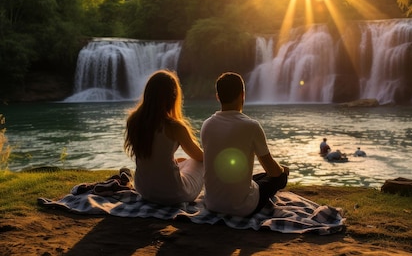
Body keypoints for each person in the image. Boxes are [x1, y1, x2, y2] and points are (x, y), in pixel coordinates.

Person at [201, 72, 289, 217]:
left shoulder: (206, 125)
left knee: (260, 177)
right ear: (243, 95)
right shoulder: (251, 126)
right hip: (241, 207)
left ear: (218, 96)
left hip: (211, 203)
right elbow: (273, 171)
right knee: (280, 177)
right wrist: (283, 170)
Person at [124, 70, 204, 205]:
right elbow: (200, 157)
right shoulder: (175, 127)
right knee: (200, 163)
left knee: (182, 160)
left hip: (143, 190)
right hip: (174, 194)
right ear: (173, 97)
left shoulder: (133, 120)